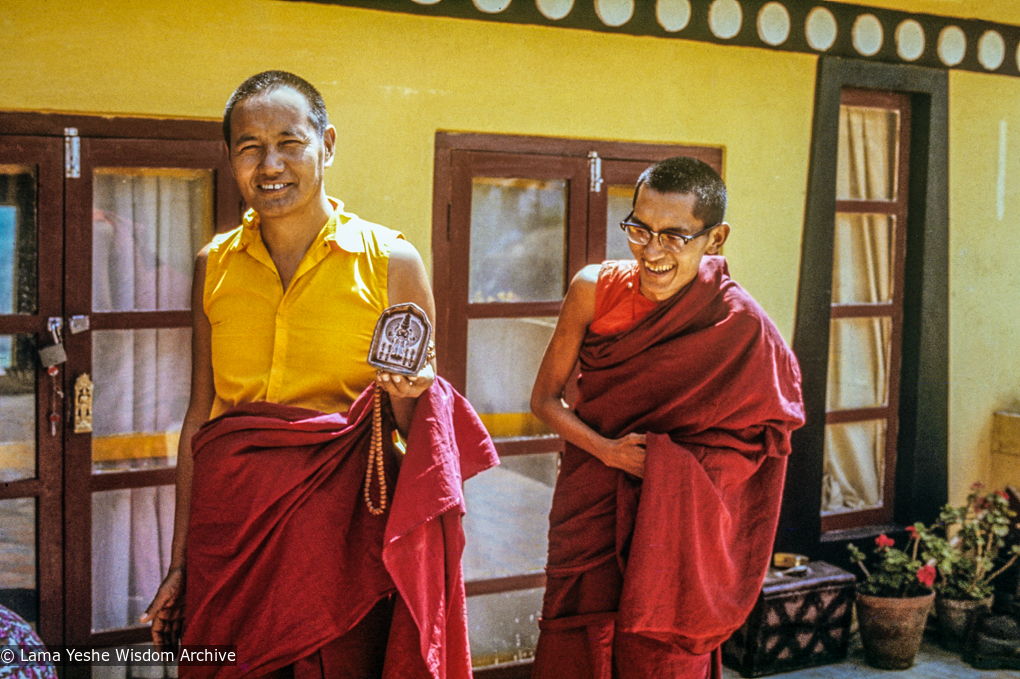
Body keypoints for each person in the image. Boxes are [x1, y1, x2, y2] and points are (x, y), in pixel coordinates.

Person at [140, 71, 497, 679]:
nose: (270, 163)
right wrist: (180, 562)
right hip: (232, 535)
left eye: (289, 142)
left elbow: (417, 424)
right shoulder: (214, 265)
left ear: (327, 145)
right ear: (230, 158)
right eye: (249, 147)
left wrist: (414, 393)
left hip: (338, 541)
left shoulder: (391, 262)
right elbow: (204, 416)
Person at [529, 157, 805, 679]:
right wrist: (609, 452)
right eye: (639, 229)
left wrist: (667, 470)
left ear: (715, 238)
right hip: (590, 500)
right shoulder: (594, 289)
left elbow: (760, 446)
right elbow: (544, 401)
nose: (651, 251)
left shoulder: (740, 324)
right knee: (575, 650)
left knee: (661, 661)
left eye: (674, 236)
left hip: (678, 529)